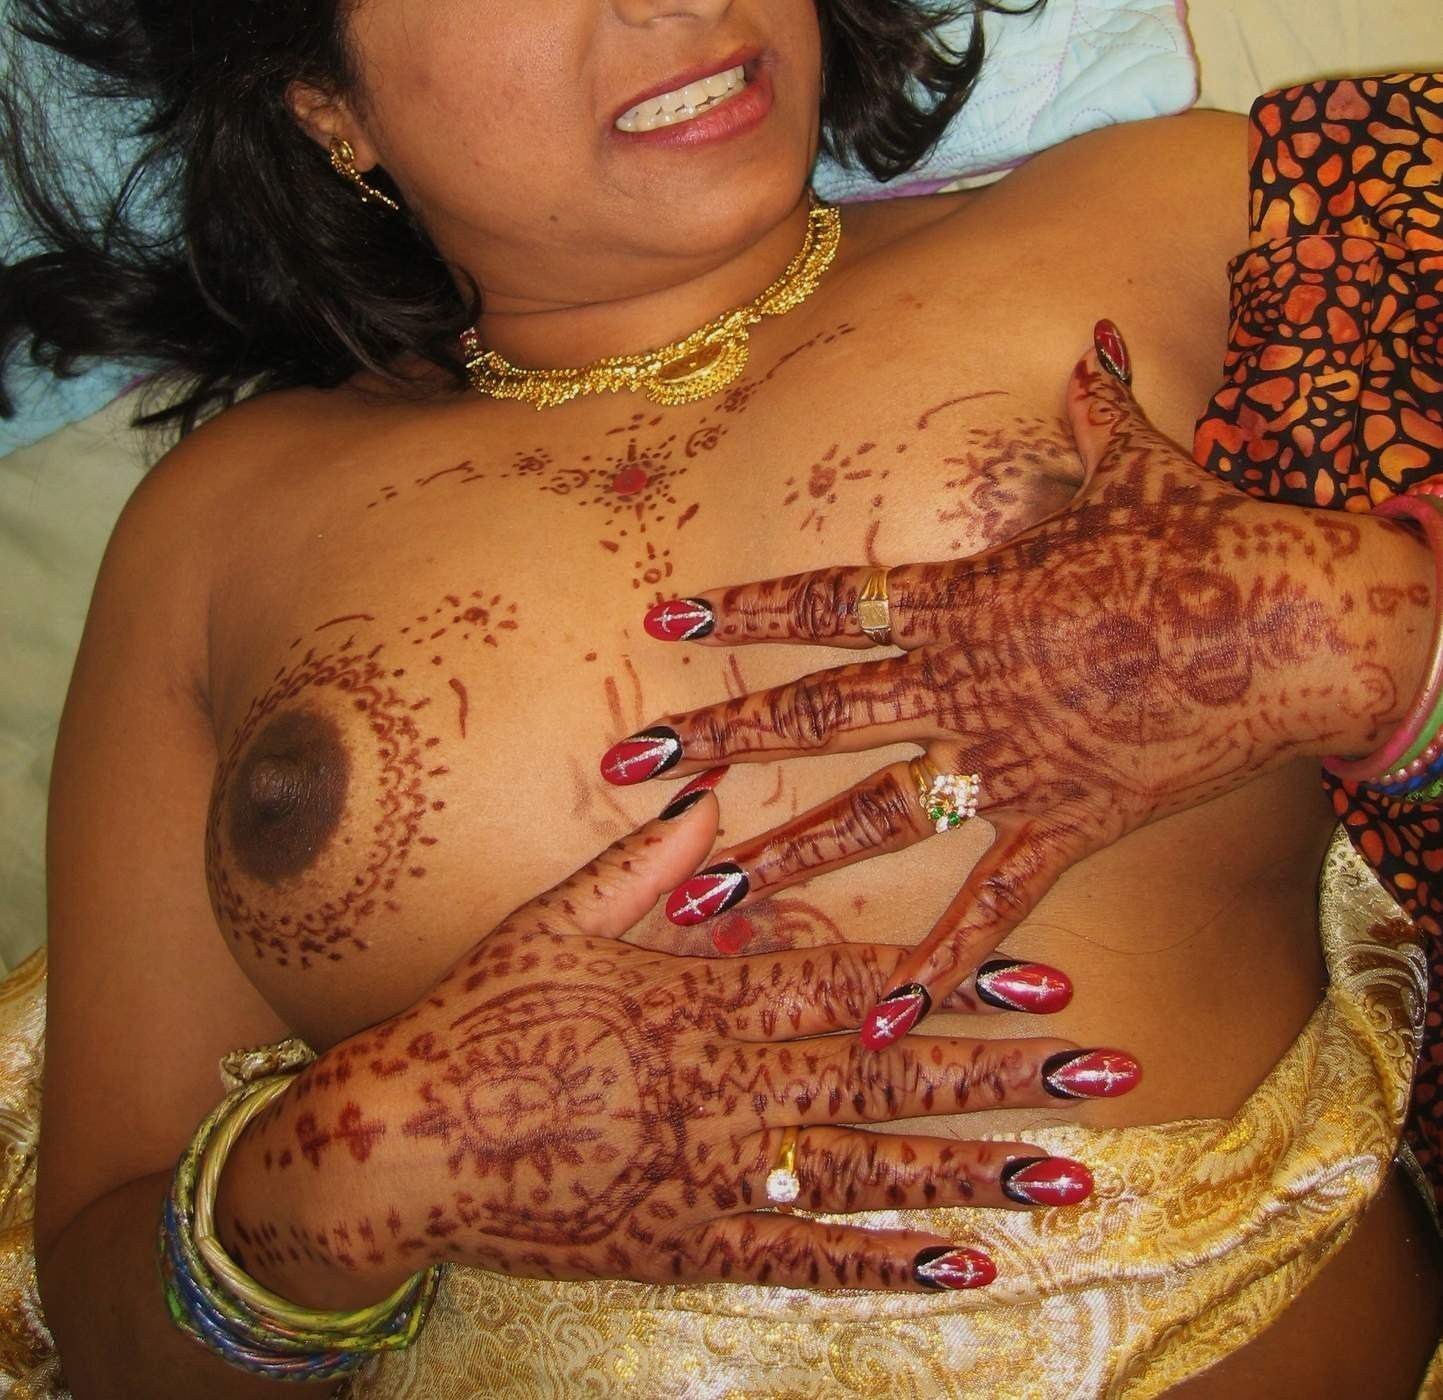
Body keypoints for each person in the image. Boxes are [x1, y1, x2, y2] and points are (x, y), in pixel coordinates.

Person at [2, 0, 1440, 1394]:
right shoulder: (215, 533)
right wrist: (344, 1182)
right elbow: (109, 1334)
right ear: (327, 100)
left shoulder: (1188, 214)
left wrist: (1376, 645)